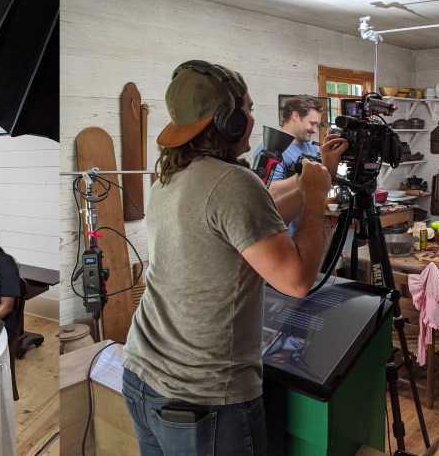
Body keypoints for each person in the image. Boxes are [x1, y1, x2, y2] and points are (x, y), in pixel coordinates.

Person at [121, 60, 333, 455]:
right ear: (228, 120)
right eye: (248, 109)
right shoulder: (234, 182)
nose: (252, 118)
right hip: (205, 399)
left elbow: (255, 224)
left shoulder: (169, 177)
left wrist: (309, 183)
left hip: (143, 378)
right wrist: (318, 198)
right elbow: (296, 281)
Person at [254, 94, 348, 234]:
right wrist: (307, 176)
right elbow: (269, 192)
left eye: (317, 124)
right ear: (295, 116)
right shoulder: (270, 148)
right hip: (284, 233)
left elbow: (325, 182)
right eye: (312, 123)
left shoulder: (313, 147)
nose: (315, 130)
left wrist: (332, 160)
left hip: (311, 227)